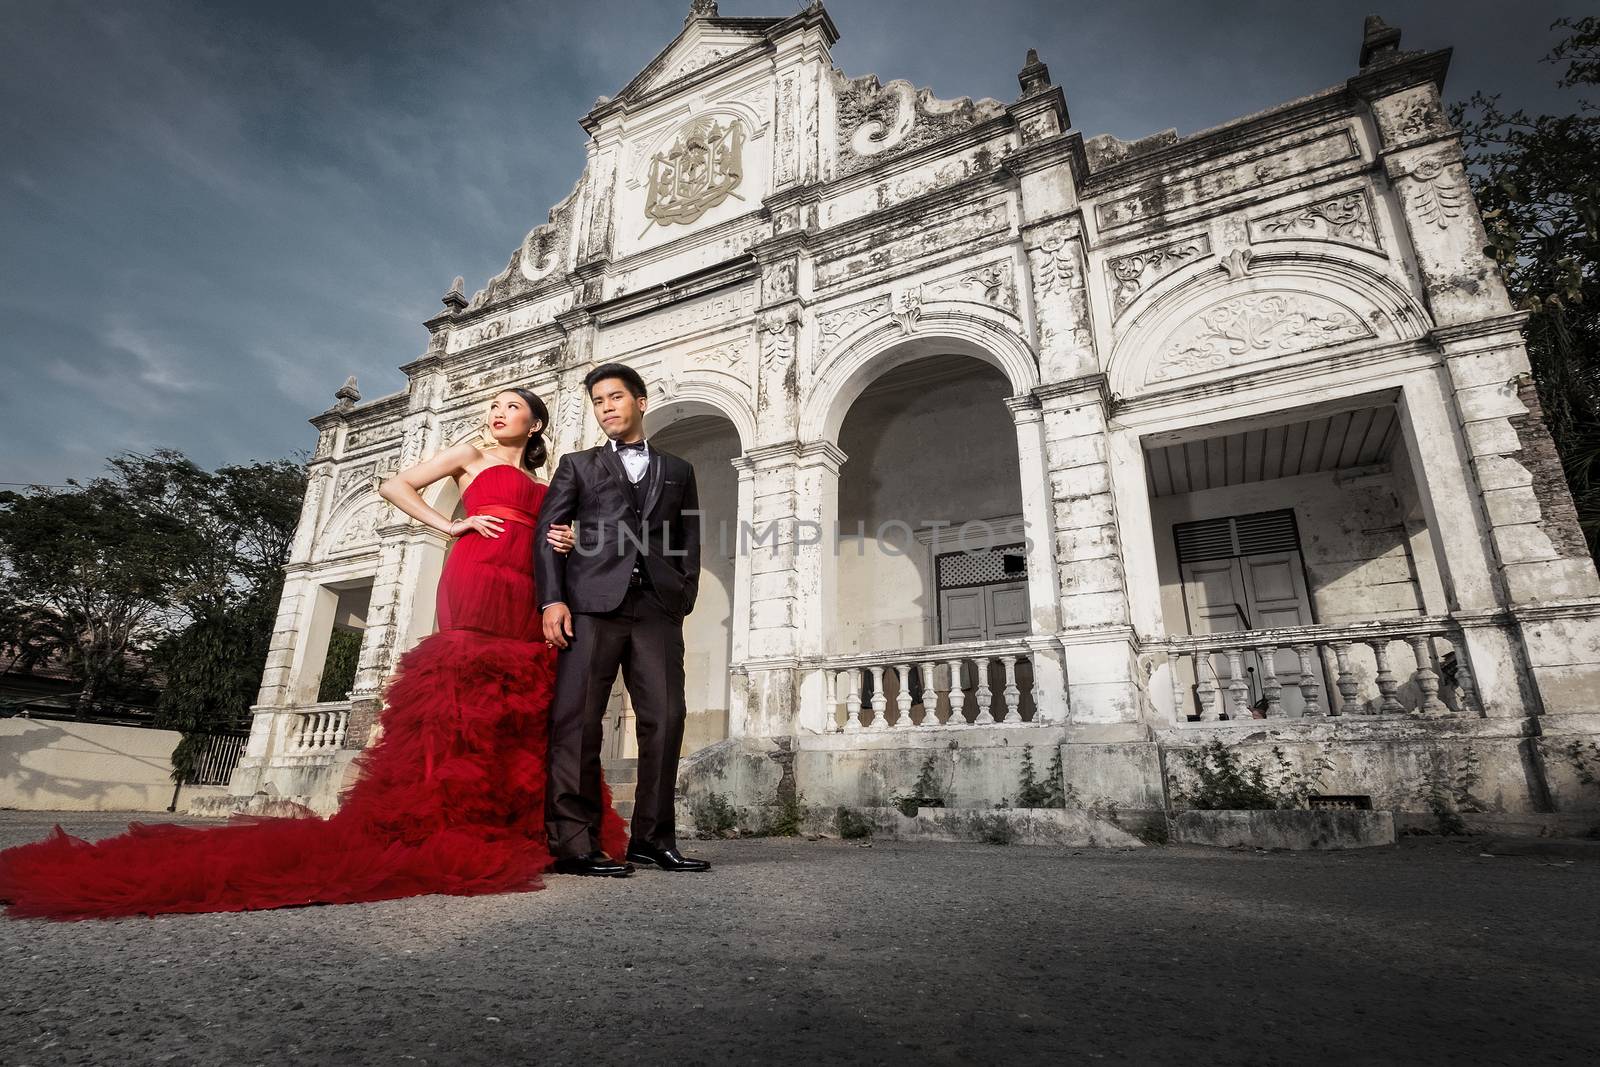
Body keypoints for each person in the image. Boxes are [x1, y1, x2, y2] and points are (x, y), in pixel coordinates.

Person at [0, 388, 629, 920]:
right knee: (464, 689)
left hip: (528, 581)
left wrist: (564, 538)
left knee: (519, 702)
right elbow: (395, 483)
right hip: (476, 570)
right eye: (493, 404)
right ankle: (442, 827)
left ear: (535, 422)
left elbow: (557, 534)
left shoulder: (544, 480)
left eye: (511, 407)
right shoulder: (472, 454)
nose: (497, 413)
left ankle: (520, 825)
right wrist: (450, 526)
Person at [537, 362, 709, 876]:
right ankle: (573, 844)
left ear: (640, 401)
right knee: (578, 722)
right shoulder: (577, 464)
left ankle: (652, 840)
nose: (606, 407)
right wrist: (552, 600)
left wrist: (684, 593)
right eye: (598, 401)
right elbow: (549, 533)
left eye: (615, 397)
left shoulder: (679, 470)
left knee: (666, 719)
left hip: (657, 608)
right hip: (590, 606)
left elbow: (688, 536)